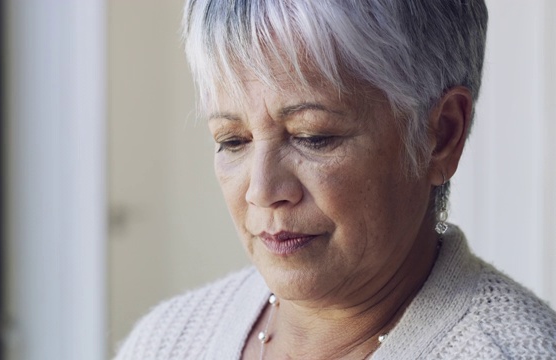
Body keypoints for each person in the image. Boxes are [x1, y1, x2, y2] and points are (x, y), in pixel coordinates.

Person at [114, 1, 556, 359]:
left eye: (313, 136)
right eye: (232, 141)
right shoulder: (168, 340)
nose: (261, 191)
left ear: (440, 135)